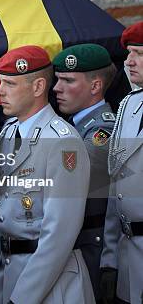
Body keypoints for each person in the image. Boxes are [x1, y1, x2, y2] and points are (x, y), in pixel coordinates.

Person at [0, 45, 94, 304]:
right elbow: (3, 219)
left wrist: (22, 298)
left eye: (9, 84)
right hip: (9, 275)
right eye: (0, 83)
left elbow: (60, 232)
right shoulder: (9, 134)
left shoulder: (61, 142)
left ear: (37, 87)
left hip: (50, 286)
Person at [52, 44, 117, 302]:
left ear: (95, 86)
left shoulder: (103, 130)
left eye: (68, 80)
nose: (57, 88)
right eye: (57, 80)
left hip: (92, 248)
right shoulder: (72, 126)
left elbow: (68, 170)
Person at [101, 21, 143, 304]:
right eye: (129, 53)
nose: (129, 61)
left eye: (138, 53)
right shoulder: (129, 105)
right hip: (130, 253)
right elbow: (116, 182)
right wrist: (109, 258)